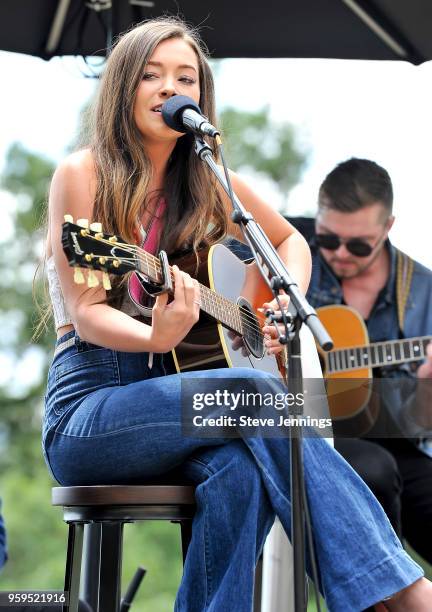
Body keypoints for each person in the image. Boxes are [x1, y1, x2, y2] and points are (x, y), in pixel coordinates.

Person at [41, 18, 432, 612]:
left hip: (188, 397)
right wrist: (153, 335)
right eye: (150, 75)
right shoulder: (83, 173)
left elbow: (290, 244)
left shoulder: (207, 181)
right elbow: (88, 312)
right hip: (93, 406)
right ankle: (400, 590)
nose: (168, 88)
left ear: (201, 97)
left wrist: (279, 300)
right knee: (258, 392)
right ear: (122, 86)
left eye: (184, 78)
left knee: (240, 475)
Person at [284, 158, 432, 564]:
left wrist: (428, 384)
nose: (341, 254)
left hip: (388, 435)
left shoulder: (422, 294)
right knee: (374, 471)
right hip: (298, 426)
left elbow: (420, 423)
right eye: (330, 240)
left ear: (387, 228)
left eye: (360, 245)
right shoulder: (287, 246)